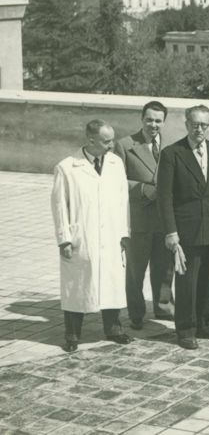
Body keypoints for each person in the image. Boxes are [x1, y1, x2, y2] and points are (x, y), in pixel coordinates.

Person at [52, 120, 132, 352]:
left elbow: (122, 200)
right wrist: (64, 239)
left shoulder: (116, 163)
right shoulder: (67, 167)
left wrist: (124, 233)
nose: (112, 145)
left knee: (111, 282)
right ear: (91, 141)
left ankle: (113, 328)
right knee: (77, 285)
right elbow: (59, 206)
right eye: (107, 141)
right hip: (81, 237)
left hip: (111, 236)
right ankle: (72, 334)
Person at [157, 105, 209, 350]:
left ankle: (205, 323)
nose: (199, 129)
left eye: (203, 124)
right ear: (186, 124)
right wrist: (171, 231)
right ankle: (186, 329)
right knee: (187, 280)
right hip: (186, 229)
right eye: (194, 124)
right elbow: (165, 196)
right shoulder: (172, 153)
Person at [115, 100, 175, 330]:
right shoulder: (125, 145)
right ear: (142, 119)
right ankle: (136, 313)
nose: (153, 125)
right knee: (135, 271)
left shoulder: (171, 145)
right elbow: (115, 182)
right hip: (138, 220)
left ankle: (163, 306)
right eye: (149, 119)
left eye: (158, 121)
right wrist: (142, 189)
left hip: (164, 219)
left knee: (164, 268)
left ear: (164, 122)